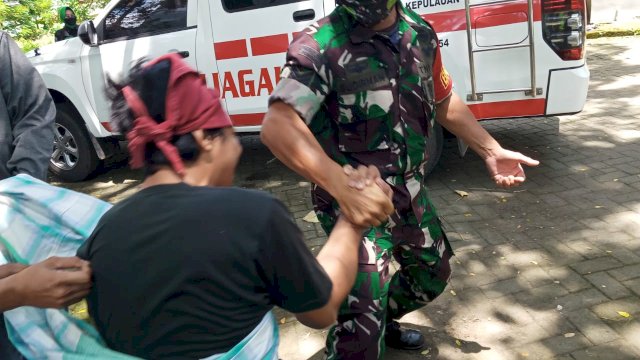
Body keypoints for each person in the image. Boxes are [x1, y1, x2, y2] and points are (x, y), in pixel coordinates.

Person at [260, 0, 541, 358]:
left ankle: (377, 319)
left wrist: (490, 149)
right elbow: (278, 125)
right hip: (357, 203)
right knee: (361, 337)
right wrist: (340, 186)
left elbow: (442, 99)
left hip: (410, 190)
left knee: (431, 275)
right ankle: (358, 330)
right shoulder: (319, 44)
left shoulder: (418, 31)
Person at [76, 53, 394, 359]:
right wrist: (351, 222)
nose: (237, 151)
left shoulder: (102, 233)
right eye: (231, 137)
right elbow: (319, 311)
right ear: (205, 138)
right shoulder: (254, 216)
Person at [0, 31, 91, 360]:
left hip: (13, 220)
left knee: (36, 335)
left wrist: (19, 192)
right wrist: (16, 290)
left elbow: (35, 112)